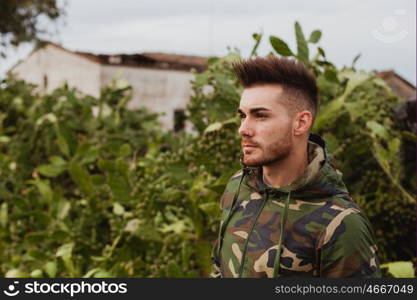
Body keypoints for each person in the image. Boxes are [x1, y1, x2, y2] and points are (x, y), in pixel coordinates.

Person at [210, 56, 381, 278]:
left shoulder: (342, 224)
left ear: (301, 123)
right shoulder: (238, 186)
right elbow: (219, 265)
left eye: (260, 116)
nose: (244, 128)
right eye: (243, 115)